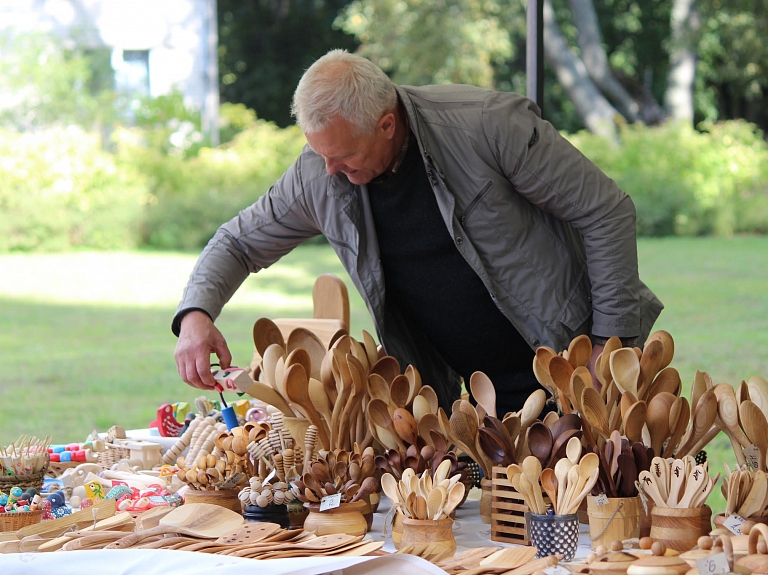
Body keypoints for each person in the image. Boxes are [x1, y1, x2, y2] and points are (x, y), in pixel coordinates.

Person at [173, 49, 663, 416]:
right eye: (319, 153)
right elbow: (237, 241)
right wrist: (196, 315)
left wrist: (610, 343)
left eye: (342, 156)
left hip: (576, 374)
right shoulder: (318, 173)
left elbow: (606, 211)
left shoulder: (488, 127)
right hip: (471, 401)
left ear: (386, 124)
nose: (327, 171)